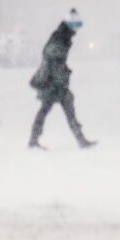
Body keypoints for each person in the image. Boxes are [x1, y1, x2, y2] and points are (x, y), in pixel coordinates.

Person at [28, 9, 95, 150]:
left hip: (53, 81)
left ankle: (34, 139)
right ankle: (80, 139)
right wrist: (61, 80)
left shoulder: (62, 36)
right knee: (57, 108)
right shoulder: (60, 38)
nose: (77, 29)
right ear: (71, 25)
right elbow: (53, 61)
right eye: (76, 26)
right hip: (52, 82)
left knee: (50, 109)